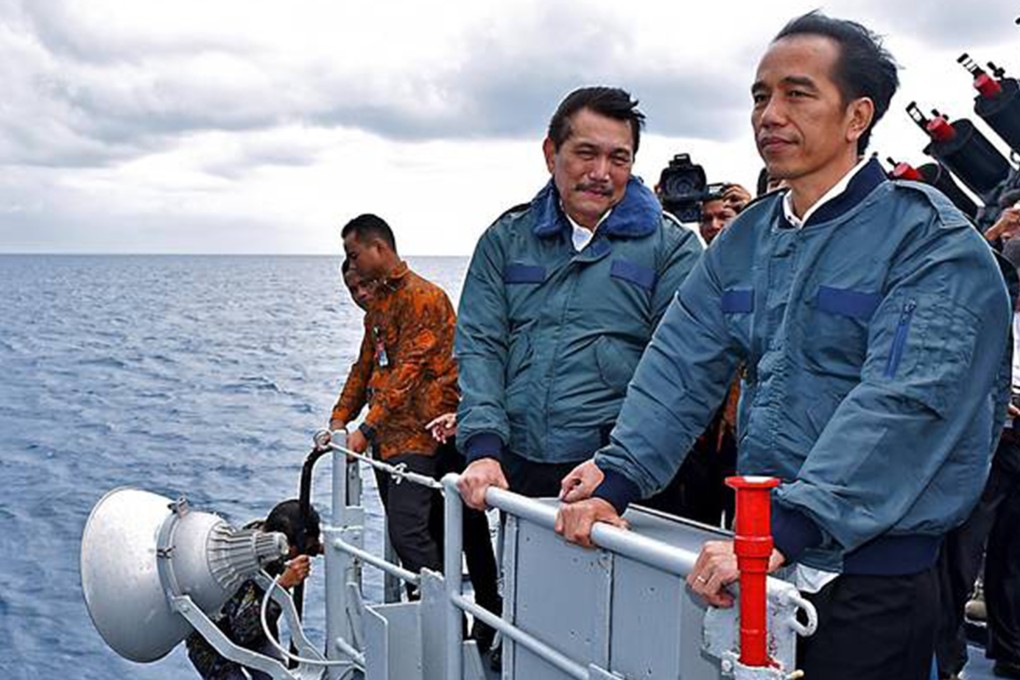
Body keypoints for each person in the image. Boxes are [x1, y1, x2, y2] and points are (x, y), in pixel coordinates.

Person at [556, 12, 1012, 680]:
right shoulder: (748, 238)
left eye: (798, 94)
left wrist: (789, 527)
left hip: (872, 580)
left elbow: (907, 404)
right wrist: (618, 477)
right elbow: (682, 360)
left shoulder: (931, 243)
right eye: (761, 96)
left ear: (857, 116)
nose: (770, 115)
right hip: (765, 560)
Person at [454, 86, 703, 510]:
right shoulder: (504, 240)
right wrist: (483, 447)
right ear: (551, 153)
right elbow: (480, 346)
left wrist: (621, 467)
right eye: (586, 153)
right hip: (519, 466)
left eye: (618, 158)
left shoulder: (674, 249)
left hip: (623, 475)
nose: (601, 172)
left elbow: (680, 369)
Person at [330, 213, 459, 584]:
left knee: (413, 533)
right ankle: (431, 602)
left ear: (378, 248)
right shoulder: (379, 308)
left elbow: (408, 371)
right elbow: (365, 368)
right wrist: (339, 419)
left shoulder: (423, 297)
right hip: (390, 437)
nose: (352, 265)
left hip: (424, 435)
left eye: (354, 255)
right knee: (420, 530)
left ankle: (449, 610)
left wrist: (365, 430)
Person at [185, 500, 321, 680]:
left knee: (276, 676)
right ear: (286, 545)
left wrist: (319, 548)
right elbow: (243, 630)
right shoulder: (244, 563)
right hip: (213, 640)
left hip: (255, 623)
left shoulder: (266, 535)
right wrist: (281, 587)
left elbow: (299, 543)